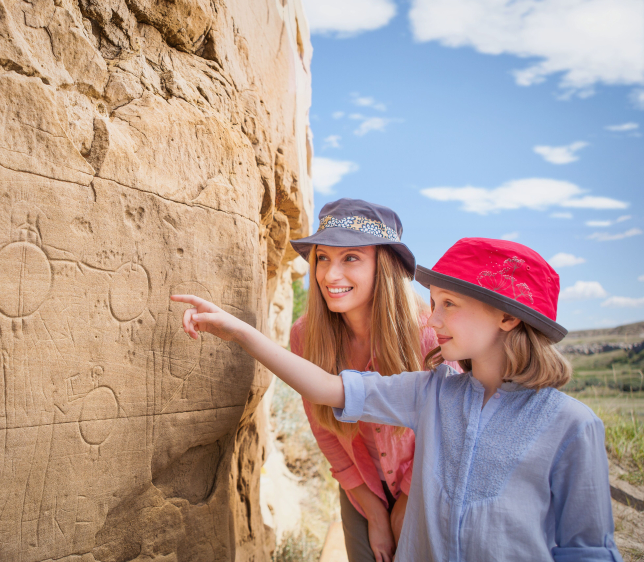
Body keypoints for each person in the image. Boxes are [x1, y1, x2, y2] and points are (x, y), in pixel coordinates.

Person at [172, 237, 622, 562]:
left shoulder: (572, 426)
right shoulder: (432, 392)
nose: (435, 316)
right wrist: (238, 331)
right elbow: (326, 388)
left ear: (507, 316)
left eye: (450, 305)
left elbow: (587, 549)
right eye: (435, 302)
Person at [285, 199, 445, 562]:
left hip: (427, 483)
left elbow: (445, 429)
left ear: (383, 265)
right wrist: (374, 513)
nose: (329, 275)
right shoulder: (305, 336)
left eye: (351, 258)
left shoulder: (429, 335)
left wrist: (406, 501)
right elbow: (323, 428)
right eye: (322, 257)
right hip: (360, 487)